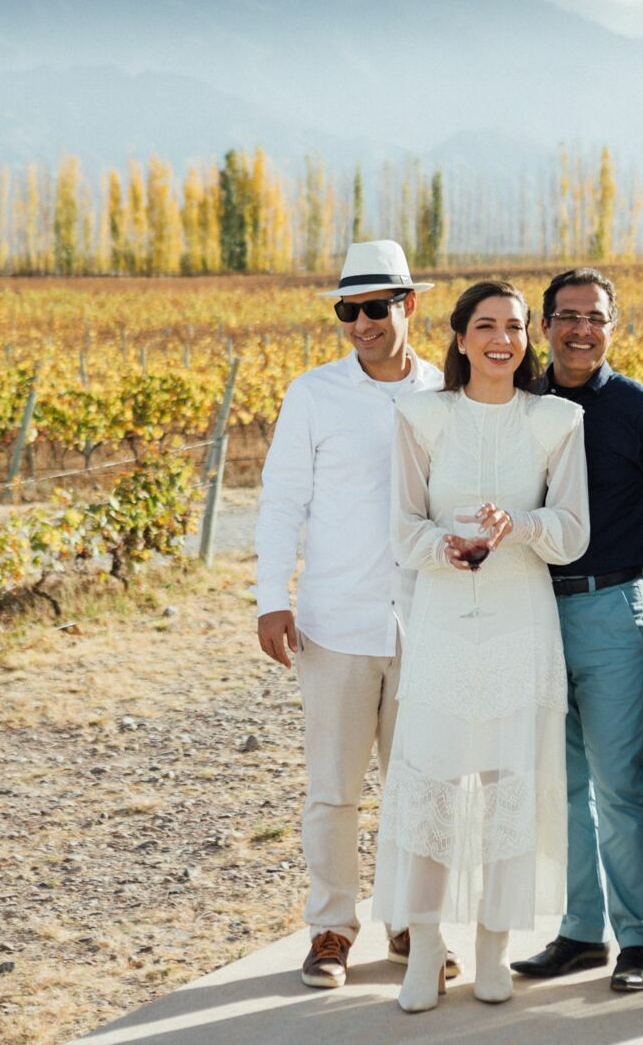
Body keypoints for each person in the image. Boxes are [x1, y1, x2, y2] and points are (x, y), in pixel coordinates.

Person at [372, 280, 590, 1013]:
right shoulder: (420, 417)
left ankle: (494, 945)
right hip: (440, 623)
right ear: (461, 336)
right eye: (487, 325)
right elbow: (402, 530)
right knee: (433, 781)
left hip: (520, 623)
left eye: (516, 327)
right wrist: (450, 546)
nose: (503, 339)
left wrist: (518, 527)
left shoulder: (557, 420)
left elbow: (572, 532)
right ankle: (427, 945)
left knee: (509, 789)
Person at [254, 239, 453, 992]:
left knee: (419, 784)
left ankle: (411, 922)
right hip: (333, 622)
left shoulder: (446, 392)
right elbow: (282, 501)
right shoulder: (313, 394)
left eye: (375, 307)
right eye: (348, 310)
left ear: (409, 305)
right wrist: (272, 596)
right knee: (333, 791)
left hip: (426, 623)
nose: (362, 323)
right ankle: (332, 928)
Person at [509, 268, 643, 993]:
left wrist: (620, 567)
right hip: (529, 610)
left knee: (620, 788)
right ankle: (580, 933)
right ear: (545, 326)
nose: (580, 329)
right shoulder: (518, 406)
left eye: (594, 317)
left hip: (609, 614)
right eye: (566, 316)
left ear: (612, 326)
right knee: (562, 785)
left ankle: (639, 940)